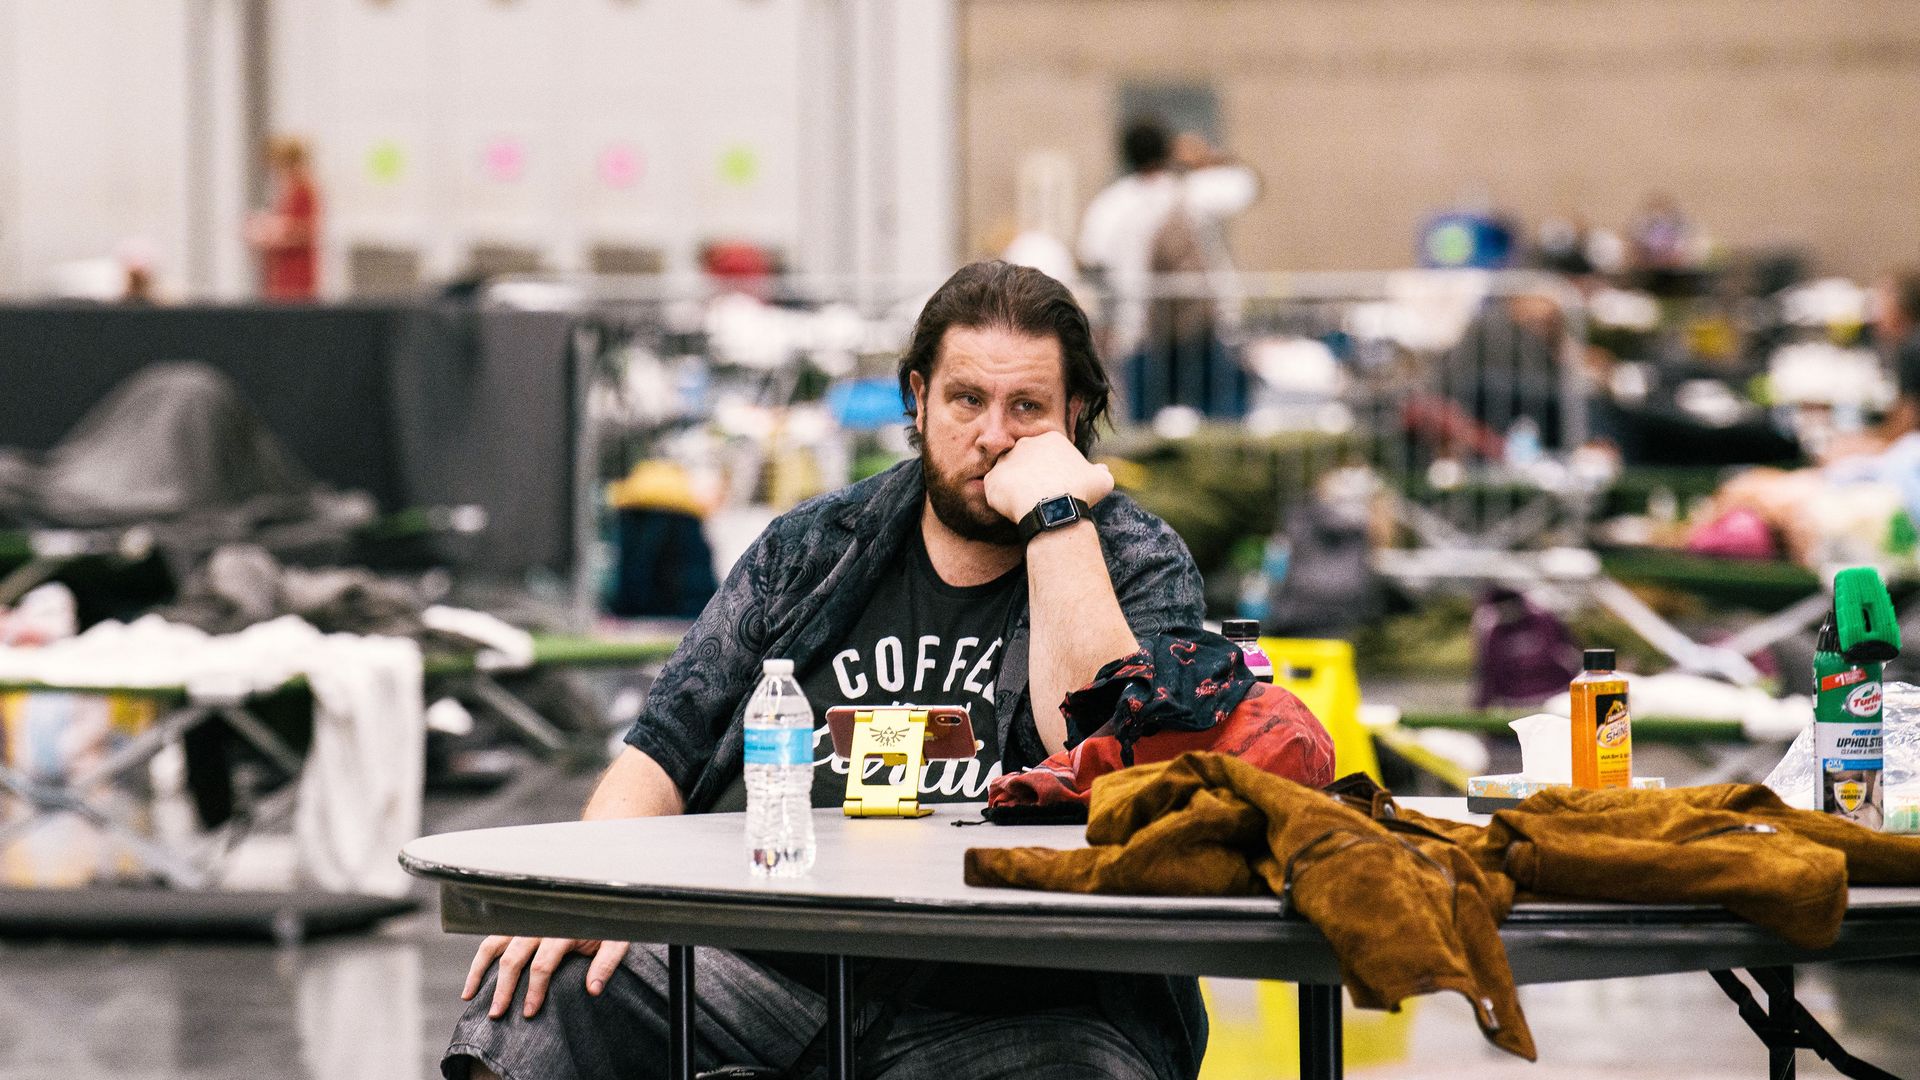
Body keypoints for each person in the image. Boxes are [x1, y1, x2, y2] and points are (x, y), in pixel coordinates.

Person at [445, 261, 1209, 1080]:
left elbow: (1109, 756)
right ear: (917, 399)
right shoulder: (812, 549)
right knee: (537, 989)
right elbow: (664, 749)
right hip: (771, 976)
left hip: (1014, 1007)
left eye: (1026, 408)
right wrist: (587, 891)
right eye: (966, 401)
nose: (992, 436)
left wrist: (1059, 520)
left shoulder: (1136, 561)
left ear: (1076, 414)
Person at [1077, 118, 1258, 422]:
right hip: (1198, 326)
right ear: (1167, 150)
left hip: (1138, 328)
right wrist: (1206, 157)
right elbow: (1247, 185)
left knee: (1142, 425)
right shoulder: (1193, 191)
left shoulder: (1111, 204)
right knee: (1218, 421)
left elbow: (1089, 257)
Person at [246, 136, 321, 302]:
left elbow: (305, 230)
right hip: (278, 276)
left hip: (295, 276)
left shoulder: (304, 190)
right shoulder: (286, 191)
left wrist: (273, 234)